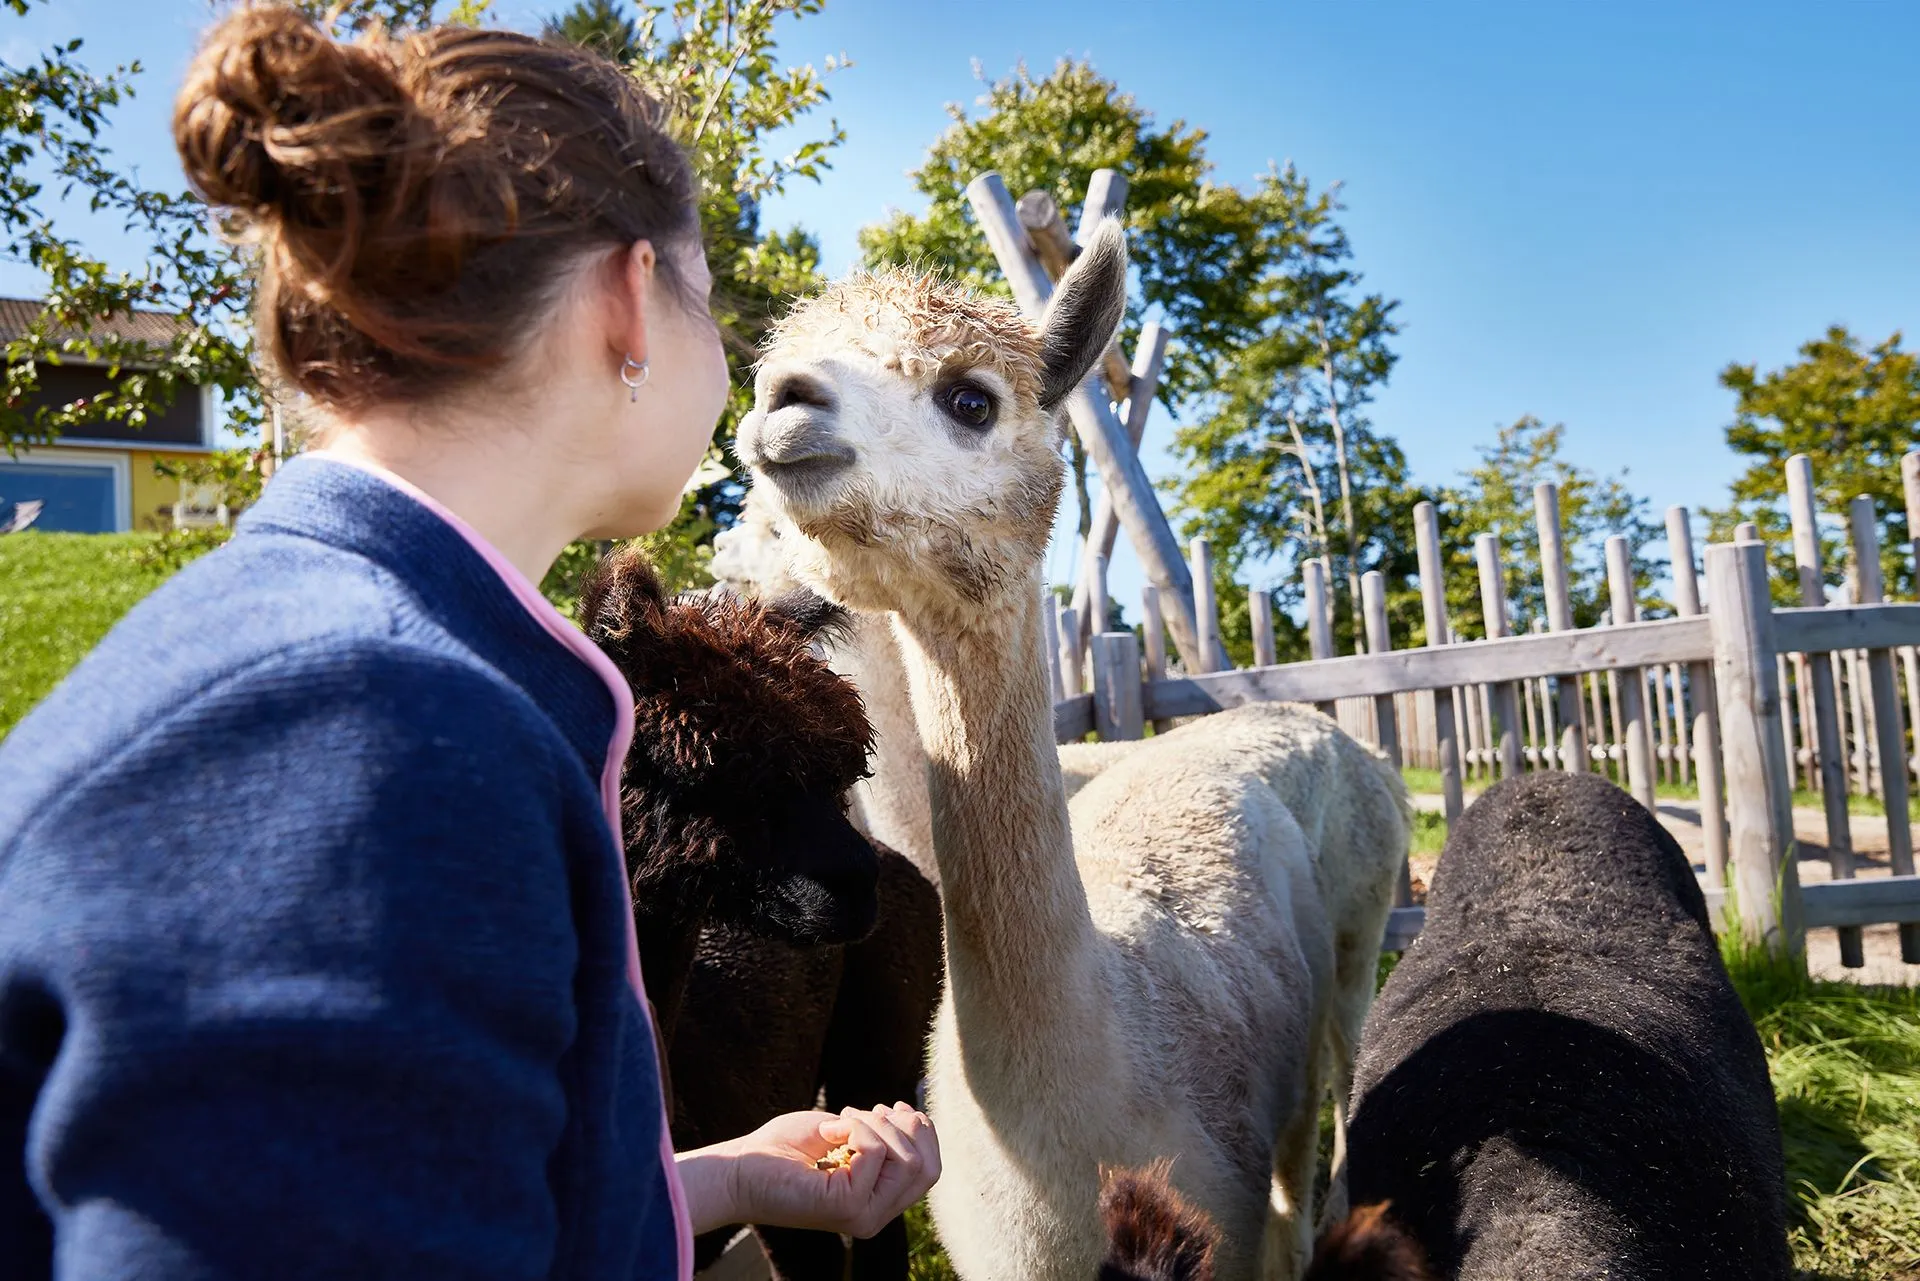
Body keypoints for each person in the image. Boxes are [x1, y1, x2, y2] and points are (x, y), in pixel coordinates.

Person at [0, 7, 938, 1279]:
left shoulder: (379, 684)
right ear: (631, 301)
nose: (730, 372)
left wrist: (709, 1180)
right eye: (715, 302)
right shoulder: (367, 733)